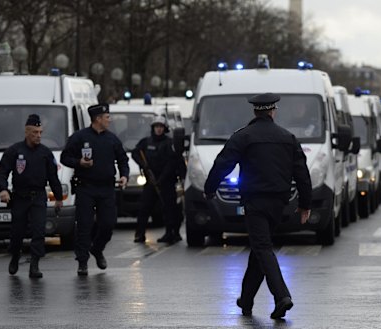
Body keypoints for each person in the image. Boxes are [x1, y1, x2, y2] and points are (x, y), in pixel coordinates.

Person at [204, 93, 312, 319]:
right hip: (278, 204)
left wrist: (209, 188)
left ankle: (282, 295)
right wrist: (305, 204)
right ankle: (246, 300)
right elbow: (302, 172)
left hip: (254, 201)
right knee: (259, 248)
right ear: (273, 111)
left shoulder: (243, 136)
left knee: (262, 247)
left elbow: (222, 163)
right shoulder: (287, 137)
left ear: (255, 111)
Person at [60, 104, 129, 276]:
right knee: (84, 225)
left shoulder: (112, 139)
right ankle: (82, 262)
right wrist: (79, 163)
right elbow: (65, 157)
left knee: (108, 224)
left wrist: (124, 175)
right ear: (98, 119)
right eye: (107, 117)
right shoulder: (79, 137)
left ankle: (97, 249)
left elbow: (122, 159)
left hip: (106, 188)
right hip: (86, 187)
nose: (109, 120)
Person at [0, 114, 63, 279]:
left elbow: (53, 177)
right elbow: (3, 171)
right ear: (27, 132)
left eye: (40, 132)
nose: (38, 135)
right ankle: (15, 256)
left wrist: (59, 198)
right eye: (35, 132)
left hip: (39, 196)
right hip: (19, 197)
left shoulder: (45, 153)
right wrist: (3, 189)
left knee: (39, 231)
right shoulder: (15, 151)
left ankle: (34, 264)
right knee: (17, 232)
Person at [132, 115, 181, 244]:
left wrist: (162, 179)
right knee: (144, 208)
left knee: (169, 208)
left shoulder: (169, 143)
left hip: (166, 181)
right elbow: (135, 153)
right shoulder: (146, 142)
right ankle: (140, 234)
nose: (158, 129)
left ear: (164, 129)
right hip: (150, 181)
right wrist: (143, 165)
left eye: (161, 127)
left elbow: (172, 163)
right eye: (156, 127)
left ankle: (171, 233)